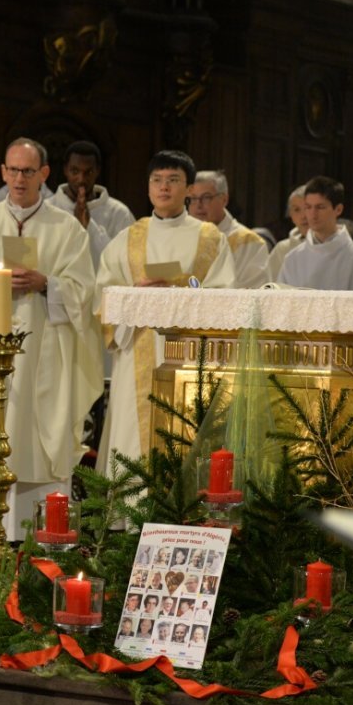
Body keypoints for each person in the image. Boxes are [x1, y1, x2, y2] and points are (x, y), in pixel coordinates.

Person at [0, 137, 101, 542]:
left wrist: (46, 283)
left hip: (47, 355)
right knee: (2, 436)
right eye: (12, 170)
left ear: (44, 175)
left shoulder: (66, 229)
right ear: (2, 171)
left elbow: (85, 291)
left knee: (44, 439)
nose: (18, 179)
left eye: (27, 171)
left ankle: (46, 542)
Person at [95, 150, 235, 472]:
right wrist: (135, 295)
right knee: (133, 434)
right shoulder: (129, 238)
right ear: (148, 187)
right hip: (136, 352)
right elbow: (102, 295)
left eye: (173, 180)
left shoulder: (209, 238)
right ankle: (129, 518)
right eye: (157, 180)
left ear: (188, 189)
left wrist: (181, 293)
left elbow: (222, 294)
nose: (164, 188)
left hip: (189, 354)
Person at [50, 141, 136, 268]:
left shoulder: (119, 213)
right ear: (65, 170)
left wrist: (89, 227)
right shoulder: (49, 207)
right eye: (75, 171)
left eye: (88, 172)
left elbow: (126, 263)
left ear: (98, 171)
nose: (81, 179)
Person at [186, 170, 270, 288]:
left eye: (206, 197)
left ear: (224, 199)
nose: (198, 205)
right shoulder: (179, 238)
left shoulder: (249, 242)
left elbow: (252, 292)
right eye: (192, 198)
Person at [277, 176, 353, 290]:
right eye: (308, 207)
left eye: (320, 207)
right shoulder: (293, 258)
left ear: (338, 209)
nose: (312, 214)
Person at [267, 185, 308, 280]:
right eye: (296, 210)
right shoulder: (282, 249)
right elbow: (269, 286)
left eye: (307, 208)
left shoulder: (330, 247)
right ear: (291, 215)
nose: (303, 216)